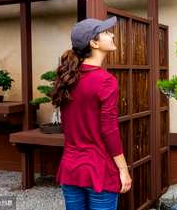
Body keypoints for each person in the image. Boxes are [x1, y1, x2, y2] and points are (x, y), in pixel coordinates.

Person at [51, 16, 132, 210]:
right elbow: (109, 129)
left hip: (70, 168)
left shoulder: (68, 78)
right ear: (94, 43)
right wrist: (123, 170)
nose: (112, 34)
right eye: (105, 32)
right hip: (99, 169)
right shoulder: (105, 81)